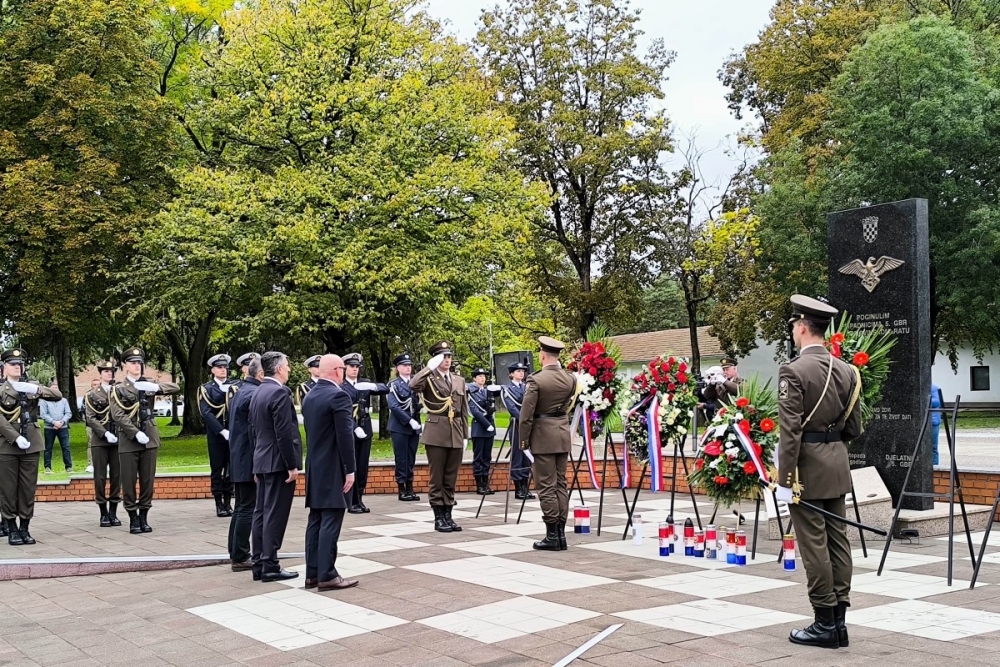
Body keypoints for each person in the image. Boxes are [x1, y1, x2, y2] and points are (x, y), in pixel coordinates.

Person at [775, 295, 863, 650]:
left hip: (806, 471)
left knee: (814, 547)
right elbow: (854, 428)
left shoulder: (793, 371)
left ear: (801, 327)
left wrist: (784, 481)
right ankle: (839, 623)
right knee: (838, 542)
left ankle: (824, 623)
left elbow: (790, 433)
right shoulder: (848, 370)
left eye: (794, 327)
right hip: (836, 464)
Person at [302, 355, 359, 591]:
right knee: (331, 519)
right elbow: (345, 436)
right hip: (334, 466)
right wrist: (350, 469)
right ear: (338, 370)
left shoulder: (310, 395)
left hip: (315, 465)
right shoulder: (338, 395)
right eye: (344, 368)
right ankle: (327, 574)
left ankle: (313, 573)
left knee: (316, 519)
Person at [110, 346, 180, 535]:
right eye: (133, 363)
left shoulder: (148, 384)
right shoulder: (118, 389)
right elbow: (118, 415)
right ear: (125, 365)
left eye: (139, 363)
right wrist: (134, 433)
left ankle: (144, 515)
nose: (137, 366)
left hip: (149, 438)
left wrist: (156, 387)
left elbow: (175, 387)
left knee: (148, 480)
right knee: (129, 480)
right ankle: (132, 516)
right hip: (129, 440)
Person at [519, 337, 577, 552]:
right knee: (560, 484)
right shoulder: (570, 379)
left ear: (542, 356)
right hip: (562, 435)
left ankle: (552, 535)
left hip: (542, 436)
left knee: (546, 486)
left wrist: (524, 441)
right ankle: (560, 534)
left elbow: (526, 414)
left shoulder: (537, 380)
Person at [249, 351, 302, 583]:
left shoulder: (258, 390)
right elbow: (285, 433)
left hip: (262, 460)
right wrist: (292, 465)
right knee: (274, 514)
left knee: (261, 512)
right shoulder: (279, 393)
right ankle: (270, 563)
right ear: (279, 369)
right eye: (287, 366)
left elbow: (254, 432)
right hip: (277, 462)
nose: (289, 369)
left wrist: (255, 464)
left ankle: (259, 562)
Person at [0, 348, 62, 544]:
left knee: (28, 488)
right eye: (13, 364)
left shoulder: (31, 385)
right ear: (4, 368)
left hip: (32, 443)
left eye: (20, 364)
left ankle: (25, 527)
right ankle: (11, 528)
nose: (17, 367)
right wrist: (14, 437)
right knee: (8, 489)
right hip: (7, 445)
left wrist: (35, 390)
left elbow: (57, 394)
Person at [410, 341, 469, 533]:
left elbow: (464, 409)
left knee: (451, 477)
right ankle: (438, 517)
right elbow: (413, 385)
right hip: (436, 432)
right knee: (437, 477)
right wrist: (429, 367)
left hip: (456, 432)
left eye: (449, 356)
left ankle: (449, 515)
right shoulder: (429, 377)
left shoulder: (458, 380)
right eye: (443, 357)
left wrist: (465, 435)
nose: (447, 360)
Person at [341, 353, 388, 514]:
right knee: (351, 464)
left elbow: (385, 388)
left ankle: (359, 498)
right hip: (351, 429)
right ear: (345, 368)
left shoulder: (364, 384)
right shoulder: (341, 386)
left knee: (362, 465)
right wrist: (354, 427)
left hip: (365, 426)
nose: (355, 369)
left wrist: (372, 387)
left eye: (357, 367)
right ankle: (350, 501)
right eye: (351, 366)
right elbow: (343, 413)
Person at [228, 357, 263, 572]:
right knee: (246, 508)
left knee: (241, 507)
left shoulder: (242, 390)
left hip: (240, 458)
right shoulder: (252, 394)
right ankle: (240, 555)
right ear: (260, 374)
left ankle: (236, 551)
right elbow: (253, 433)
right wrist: (257, 464)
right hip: (248, 459)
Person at [85, 361, 122, 527]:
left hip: (118, 439)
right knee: (100, 477)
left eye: (112, 371)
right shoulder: (92, 394)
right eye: (106, 371)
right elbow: (90, 418)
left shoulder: (119, 392)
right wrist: (104, 433)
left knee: (116, 476)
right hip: (100, 440)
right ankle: (103, 512)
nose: (109, 374)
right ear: (100, 374)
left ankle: (113, 512)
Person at [199, 353, 236, 517]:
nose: (223, 370)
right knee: (217, 469)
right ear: (213, 370)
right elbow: (206, 413)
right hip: (216, 435)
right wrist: (221, 430)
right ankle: (219, 502)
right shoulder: (206, 389)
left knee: (231, 468)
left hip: (234, 433)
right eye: (219, 368)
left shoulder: (235, 386)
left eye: (225, 368)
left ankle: (228, 501)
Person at [387, 352, 422, 502]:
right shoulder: (393, 385)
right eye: (404, 366)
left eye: (409, 365)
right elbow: (394, 406)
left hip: (414, 425)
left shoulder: (416, 383)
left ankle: (410, 487)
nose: (408, 368)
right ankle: (402, 489)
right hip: (400, 426)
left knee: (411, 457)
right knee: (401, 458)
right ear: (398, 368)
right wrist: (409, 421)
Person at [502, 362, 535, 500]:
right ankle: (518, 489)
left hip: (527, 424)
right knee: (518, 455)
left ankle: (525, 486)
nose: (521, 373)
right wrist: (524, 419)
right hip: (517, 424)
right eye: (518, 371)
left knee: (527, 457)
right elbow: (512, 408)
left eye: (522, 371)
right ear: (511, 374)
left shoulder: (527, 387)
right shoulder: (507, 389)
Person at [468, 368, 497, 495]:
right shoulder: (471, 392)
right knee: (478, 457)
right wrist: (486, 425)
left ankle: (486, 483)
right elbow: (474, 411)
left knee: (487, 457)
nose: (482, 378)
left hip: (489, 428)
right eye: (479, 376)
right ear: (474, 378)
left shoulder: (487, 391)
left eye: (484, 376)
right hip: (479, 428)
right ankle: (479, 484)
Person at [40, 380, 73, 474]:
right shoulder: (44, 401)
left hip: (63, 427)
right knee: (48, 448)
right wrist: (54, 422)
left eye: (56, 388)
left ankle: (69, 467)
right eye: (53, 388)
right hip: (49, 428)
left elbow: (68, 413)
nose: (55, 390)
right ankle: (47, 468)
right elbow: (43, 414)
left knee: (66, 447)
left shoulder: (64, 401)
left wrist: (61, 422)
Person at [85, 378, 100, 473]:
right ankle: (91, 464)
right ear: (91, 386)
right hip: (91, 424)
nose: (96, 386)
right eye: (94, 384)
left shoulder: (107, 394)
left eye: (98, 384)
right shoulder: (88, 396)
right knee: (91, 444)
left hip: (104, 424)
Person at [931, 383, 942, 465]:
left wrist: (923, 398)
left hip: (933, 421)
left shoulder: (934, 388)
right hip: (919, 421)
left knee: (933, 447)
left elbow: (937, 402)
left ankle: (935, 466)